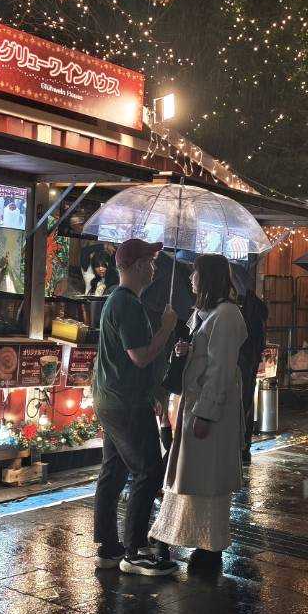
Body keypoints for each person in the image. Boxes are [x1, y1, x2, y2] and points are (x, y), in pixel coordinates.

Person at [151, 254, 247, 571]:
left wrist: (206, 413)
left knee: (207, 477)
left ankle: (210, 544)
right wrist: (186, 351)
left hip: (210, 409)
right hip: (194, 405)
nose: (191, 279)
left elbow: (220, 370)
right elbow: (205, 356)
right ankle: (187, 536)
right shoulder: (204, 313)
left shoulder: (227, 315)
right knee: (191, 475)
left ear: (208, 278)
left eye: (195, 274)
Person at [91, 238, 180, 575]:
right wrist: (166, 329)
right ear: (139, 265)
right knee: (148, 470)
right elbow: (140, 357)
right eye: (151, 261)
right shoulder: (126, 304)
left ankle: (108, 546)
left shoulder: (119, 300)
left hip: (113, 399)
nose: (154, 268)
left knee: (114, 470)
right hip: (125, 403)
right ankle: (136, 550)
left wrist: (153, 391)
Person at [233, 263, 269, 464]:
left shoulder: (241, 308)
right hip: (251, 359)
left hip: (243, 359)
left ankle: (240, 446)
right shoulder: (255, 305)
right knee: (246, 402)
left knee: (241, 402)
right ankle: (244, 446)